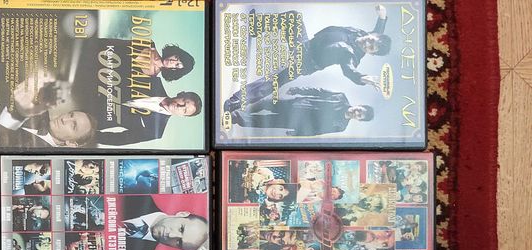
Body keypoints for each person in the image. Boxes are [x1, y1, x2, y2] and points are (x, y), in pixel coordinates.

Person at [224, 5, 391, 111]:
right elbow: (378, 32)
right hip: (304, 45)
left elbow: (349, 70)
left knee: (275, 79)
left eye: (371, 48)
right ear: (373, 35)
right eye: (371, 40)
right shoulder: (361, 33)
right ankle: (255, 26)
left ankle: (237, 101)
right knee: (293, 18)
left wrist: (361, 78)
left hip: (305, 63)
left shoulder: (351, 54)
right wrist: (382, 17)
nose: (367, 43)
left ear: (371, 53)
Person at [229, 87, 374, 136]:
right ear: (359, 105)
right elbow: (319, 91)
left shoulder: (341, 126)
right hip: (297, 104)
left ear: (359, 120)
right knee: (267, 102)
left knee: (264, 122)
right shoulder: (341, 97)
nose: (357, 113)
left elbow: (318, 131)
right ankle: (240, 109)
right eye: (360, 110)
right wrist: (299, 90)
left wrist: (297, 133)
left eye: (360, 115)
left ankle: (236, 117)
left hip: (296, 122)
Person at [120, 196, 209, 250]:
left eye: (179, 242)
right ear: (182, 214)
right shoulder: (136, 195)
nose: (171, 235)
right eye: (181, 229)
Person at [97, 92, 202, 147]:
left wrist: (93, 136)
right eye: (184, 102)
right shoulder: (154, 82)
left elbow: (121, 139)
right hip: (94, 93)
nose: (180, 106)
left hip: (95, 121)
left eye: (184, 110)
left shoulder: (157, 131)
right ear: (181, 94)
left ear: (182, 116)